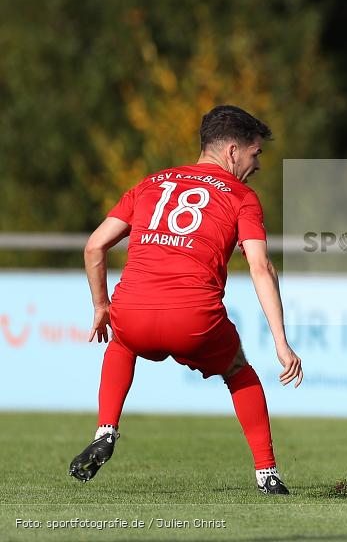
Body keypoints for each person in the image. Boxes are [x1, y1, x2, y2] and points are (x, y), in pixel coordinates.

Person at [70, 105, 303, 495]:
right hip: (193, 319)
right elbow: (261, 268)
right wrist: (281, 342)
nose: (257, 164)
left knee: (123, 341)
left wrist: (101, 306)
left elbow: (94, 247)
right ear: (232, 150)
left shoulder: (151, 183)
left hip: (134, 313)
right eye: (255, 153)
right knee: (238, 371)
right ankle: (267, 473)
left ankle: (106, 430)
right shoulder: (242, 197)